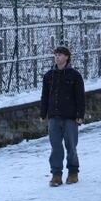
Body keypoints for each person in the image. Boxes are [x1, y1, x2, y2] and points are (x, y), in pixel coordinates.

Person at [39, 46, 85, 187]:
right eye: (56, 55)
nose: (57, 57)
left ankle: (73, 172)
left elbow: (80, 97)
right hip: (54, 116)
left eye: (60, 55)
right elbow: (45, 96)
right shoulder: (49, 76)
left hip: (70, 116)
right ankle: (56, 174)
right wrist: (43, 113)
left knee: (71, 146)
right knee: (55, 146)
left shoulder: (75, 75)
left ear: (66, 57)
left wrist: (79, 114)